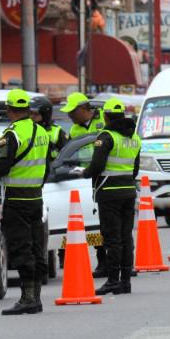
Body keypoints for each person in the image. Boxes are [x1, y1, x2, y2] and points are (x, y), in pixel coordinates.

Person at [0, 89, 51, 315]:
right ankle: (35, 298)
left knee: (21, 248)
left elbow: (1, 168)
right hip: (36, 197)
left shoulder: (12, 134)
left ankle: (28, 298)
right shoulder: (41, 131)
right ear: (28, 109)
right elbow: (46, 166)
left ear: (9, 110)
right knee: (36, 246)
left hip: (16, 199)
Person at [81, 97, 140, 295]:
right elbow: (135, 169)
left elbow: (96, 166)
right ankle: (125, 281)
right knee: (126, 236)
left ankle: (113, 280)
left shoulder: (106, 136)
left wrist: (84, 173)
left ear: (106, 116)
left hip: (109, 193)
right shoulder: (134, 138)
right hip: (128, 191)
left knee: (112, 238)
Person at [61, 92, 109, 276]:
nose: (69, 116)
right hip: (84, 179)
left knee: (112, 224)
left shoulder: (104, 120)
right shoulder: (74, 130)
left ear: (83, 109)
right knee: (94, 222)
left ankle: (122, 262)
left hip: (106, 176)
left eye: (72, 112)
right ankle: (102, 261)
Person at [31, 96, 67, 163]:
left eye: (36, 114)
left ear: (45, 115)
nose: (32, 116)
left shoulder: (57, 132)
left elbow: (66, 154)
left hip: (52, 167)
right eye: (30, 113)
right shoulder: (26, 129)